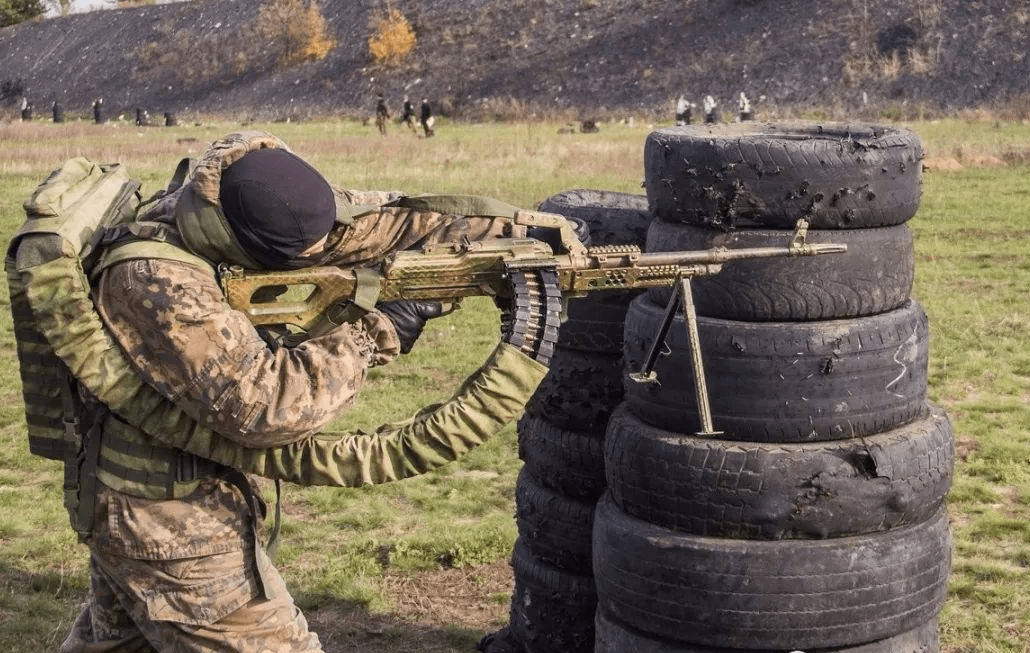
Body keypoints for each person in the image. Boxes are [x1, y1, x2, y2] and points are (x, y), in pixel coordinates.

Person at [53, 131, 550, 652]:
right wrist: (375, 330)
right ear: (241, 245)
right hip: (171, 525)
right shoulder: (154, 280)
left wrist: (517, 230)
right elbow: (266, 407)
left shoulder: (234, 190)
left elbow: (374, 221)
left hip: (145, 501)